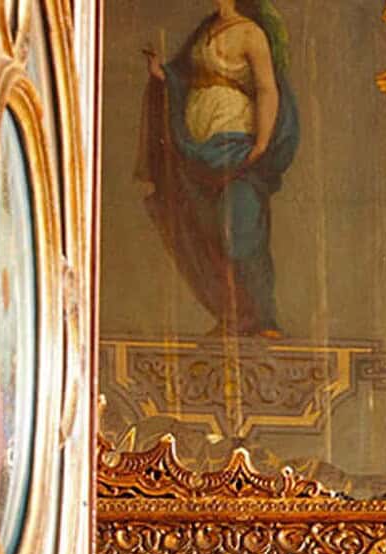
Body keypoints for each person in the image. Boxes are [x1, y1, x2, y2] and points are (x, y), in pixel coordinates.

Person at [138, 1, 300, 337]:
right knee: (205, 230)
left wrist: (261, 143)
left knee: (240, 231)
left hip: (235, 145)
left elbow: (267, 89)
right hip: (193, 149)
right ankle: (234, 316)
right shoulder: (206, 29)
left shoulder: (250, 33)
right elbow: (186, 77)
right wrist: (162, 74)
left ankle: (262, 318)